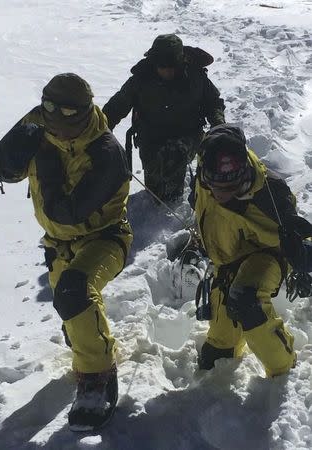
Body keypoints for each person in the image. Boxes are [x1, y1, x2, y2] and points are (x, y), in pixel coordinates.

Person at [0, 73, 133, 431]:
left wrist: (48, 161)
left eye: (66, 115)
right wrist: (9, 161)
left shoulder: (106, 153)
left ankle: (97, 377)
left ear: (84, 114)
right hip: (57, 244)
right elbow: (5, 168)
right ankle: (87, 346)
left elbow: (67, 212)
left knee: (74, 291)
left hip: (105, 237)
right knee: (73, 312)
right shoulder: (39, 121)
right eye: (49, 110)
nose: (56, 123)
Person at [193, 124, 312, 377]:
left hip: (269, 254)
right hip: (227, 261)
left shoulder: (270, 194)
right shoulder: (203, 175)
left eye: (232, 188)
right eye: (217, 187)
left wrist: (302, 255)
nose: (223, 194)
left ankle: (283, 368)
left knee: (246, 298)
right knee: (217, 355)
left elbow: (303, 233)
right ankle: (228, 346)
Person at [102, 33, 226, 202]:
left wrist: (219, 125)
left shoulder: (195, 77)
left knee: (174, 158)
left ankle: (172, 206)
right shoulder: (141, 79)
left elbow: (213, 103)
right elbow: (115, 107)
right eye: (162, 66)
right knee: (155, 191)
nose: (167, 70)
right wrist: (98, 130)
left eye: (172, 66)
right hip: (151, 139)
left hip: (188, 135)